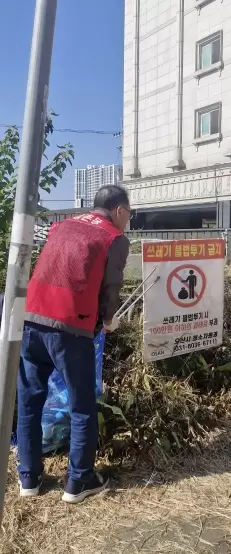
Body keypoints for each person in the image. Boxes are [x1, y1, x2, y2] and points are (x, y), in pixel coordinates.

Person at [17, 185, 131, 504]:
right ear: (119, 210)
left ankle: (29, 477)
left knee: (29, 401)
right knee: (81, 405)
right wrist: (108, 321)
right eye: (129, 214)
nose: (128, 220)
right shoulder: (114, 237)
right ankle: (78, 481)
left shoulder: (62, 224)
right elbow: (112, 285)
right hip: (70, 326)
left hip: (31, 318)